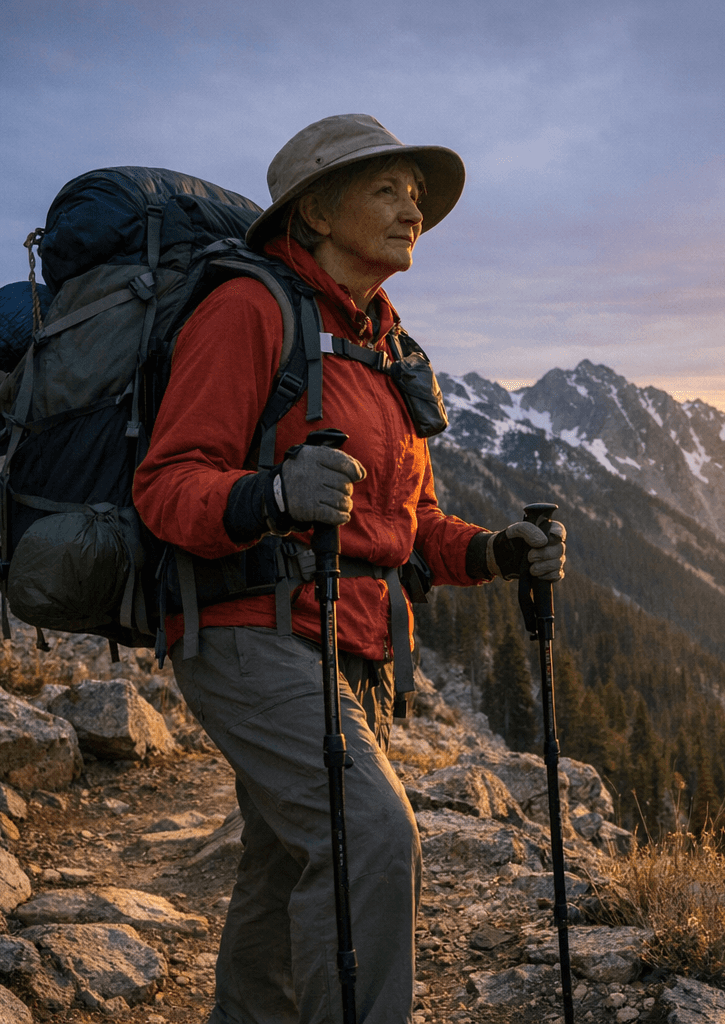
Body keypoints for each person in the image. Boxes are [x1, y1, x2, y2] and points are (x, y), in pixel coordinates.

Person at [133, 113, 565, 1024]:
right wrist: (273, 498)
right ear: (317, 211)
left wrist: (495, 553)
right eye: (387, 188)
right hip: (251, 629)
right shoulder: (249, 310)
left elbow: (410, 525)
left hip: (352, 645)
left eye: (417, 193)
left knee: (291, 861)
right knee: (370, 834)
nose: (413, 207)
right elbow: (168, 486)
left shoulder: (386, 347)